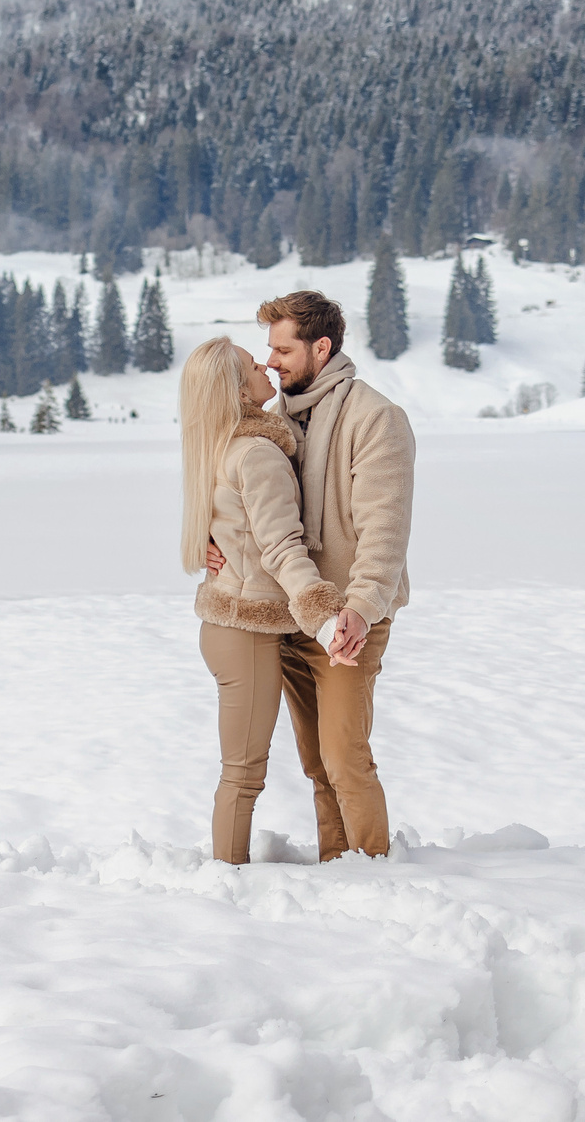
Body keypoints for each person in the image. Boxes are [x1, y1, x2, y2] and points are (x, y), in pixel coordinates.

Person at [207, 288, 413, 860]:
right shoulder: (277, 422)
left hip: (348, 620)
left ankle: (374, 872)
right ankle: (337, 867)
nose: (269, 361)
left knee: (348, 760)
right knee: (318, 763)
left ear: (321, 348)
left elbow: (386, 533)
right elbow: (255, 508)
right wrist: (214, 540)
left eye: (282, 349)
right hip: (294, 618)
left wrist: (360, 610)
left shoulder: (376, 419)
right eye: (267, 350)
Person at [181, 337, 350, 865]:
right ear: (237, 390)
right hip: (246, 628)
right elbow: (281, 546)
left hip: (229, 623)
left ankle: (228, 872)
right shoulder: (257, 453)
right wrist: (324, 618)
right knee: (243, 772)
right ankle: (225, 880)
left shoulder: (220, 445)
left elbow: (233, 529)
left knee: (241, 769)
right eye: (252, 365)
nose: (264, 365)